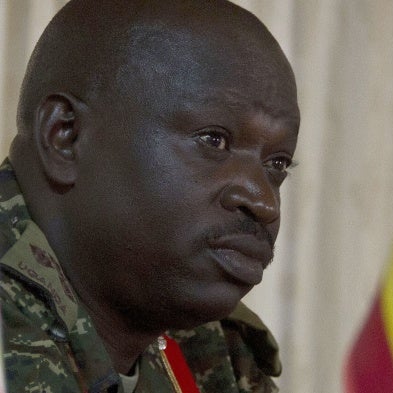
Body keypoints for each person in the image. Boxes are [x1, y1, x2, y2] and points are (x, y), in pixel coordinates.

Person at [0, 0, 299, 391]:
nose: (264, 202)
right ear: (66, 136)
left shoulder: (212, 348)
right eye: (214, 141)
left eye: (277, 165)